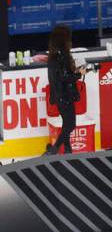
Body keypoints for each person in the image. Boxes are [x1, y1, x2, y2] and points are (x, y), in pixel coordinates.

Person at [45, 24, 84, 155]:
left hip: (58, 95)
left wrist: (75, 72)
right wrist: (80, 73)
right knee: (70, 125)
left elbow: (60, 75)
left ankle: (68, 150)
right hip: (65, 95)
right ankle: (55, 149)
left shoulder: (53, 56)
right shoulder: (63, 56)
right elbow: (65, 77)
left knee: (66, 124)